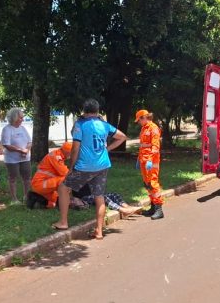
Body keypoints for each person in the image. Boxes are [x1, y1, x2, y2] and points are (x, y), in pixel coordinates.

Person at [54, 99, 127, 240]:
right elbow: (122, 137)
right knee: (99, 196)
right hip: (103, 165)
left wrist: (71, 166)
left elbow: (75, 148)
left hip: (85, 166)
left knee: (63, 188)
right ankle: (99, 231)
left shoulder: (80, 125)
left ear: (84, 110)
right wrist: (107, 149)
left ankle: (63, 222)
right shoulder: (104, 125)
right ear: (97, 111)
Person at [135, 109, 164, 220]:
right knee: (147, 184)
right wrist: (139, 159)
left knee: (153, 183)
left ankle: (159, 210)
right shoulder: (144, 128)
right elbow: (143, 146)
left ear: (144, 118)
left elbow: (155, 146)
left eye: (139, 120)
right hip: (144, 160)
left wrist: (150, 160)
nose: (138, 122)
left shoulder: (153, 128)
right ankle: (153, 207)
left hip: (151, 161)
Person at [1, 107, 32, 205]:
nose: (22, 119)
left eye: (22, 117)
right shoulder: (7, 129)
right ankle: (14, 199)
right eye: (21, 118)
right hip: (12, 159)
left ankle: (26, 196)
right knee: (13, 178)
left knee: (27, 177)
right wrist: (20, 150)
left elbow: (29, 141)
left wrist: (26, 150)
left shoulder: (23, 128)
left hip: (25, 158)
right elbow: (6, 145)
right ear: (14, 118)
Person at [27, 142, 72, 209]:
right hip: (40, 184)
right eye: (71, 153)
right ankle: (35, 197)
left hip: (41, 184)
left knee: (54, 202)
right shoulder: (56, 157)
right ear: (67, 152)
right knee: (66, 180)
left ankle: (35, 197)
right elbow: (64, 173)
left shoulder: (57, 155)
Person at [71, 184, 143, 218]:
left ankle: (127, 207)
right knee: (103, 198)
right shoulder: (76, 177)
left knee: (113, 194)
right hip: (84, 198)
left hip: (93, 194)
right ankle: (123, 210)